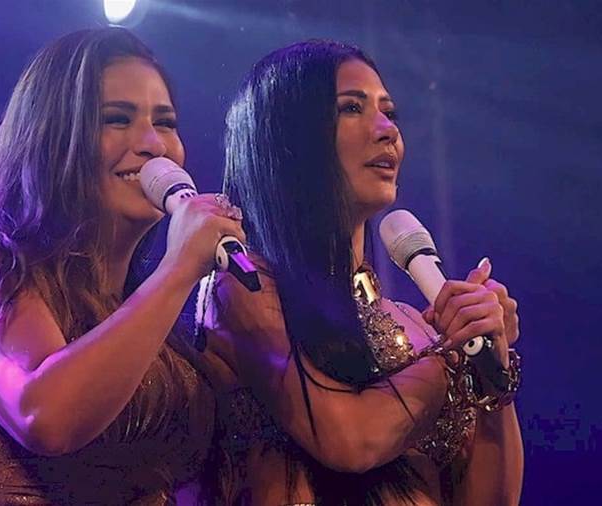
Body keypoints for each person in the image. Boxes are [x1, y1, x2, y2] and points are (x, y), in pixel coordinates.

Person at [0, 27, 244, 504]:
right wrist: (179, 267)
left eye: (165, 122)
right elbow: (45, 416)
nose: (153, 144)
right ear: (54, 139)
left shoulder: (143, 314)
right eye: (117, 120)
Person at [211, 40, 523, 505]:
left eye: (389, 112)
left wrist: (492, 368)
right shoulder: (245, 285)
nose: (387, 130)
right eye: (352, 108)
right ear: (289, 138)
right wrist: (450, 362)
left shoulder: (412, 326)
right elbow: (349, 441)